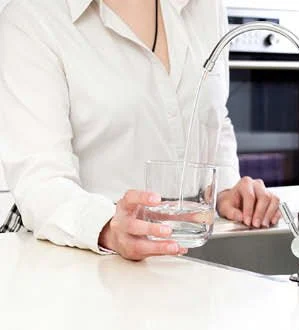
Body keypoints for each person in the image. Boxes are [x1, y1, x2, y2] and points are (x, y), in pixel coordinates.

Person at [0, 0, 282, 261]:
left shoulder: (205, 5)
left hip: (193, 266)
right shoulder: (32, 17)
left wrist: (225, 191)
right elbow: (41, 182)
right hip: (86, 268)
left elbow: (214, 117)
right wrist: (109, 228)